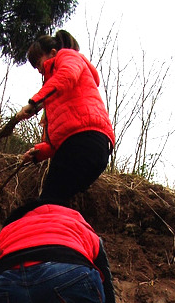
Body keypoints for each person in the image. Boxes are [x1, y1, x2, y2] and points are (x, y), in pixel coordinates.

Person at [15, 30, 115, 204]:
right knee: (56, 200)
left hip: (85, 141)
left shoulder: (67, 56)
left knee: (48, 202)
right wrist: (37, 153)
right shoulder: (61, 97)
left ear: (52, 53)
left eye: (39, 63)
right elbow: (62, 138)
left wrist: (33, 103)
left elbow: (67, 75)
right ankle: (72, 230)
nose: (39, 71)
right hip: (88, 146)